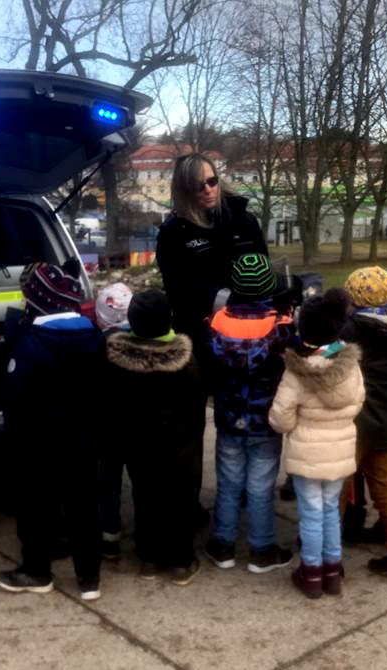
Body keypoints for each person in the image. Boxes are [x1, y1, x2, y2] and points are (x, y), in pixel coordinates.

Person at [156, 153, 269, 524]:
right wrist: (224, 297)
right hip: (202, 339)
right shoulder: (174, 233)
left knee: (248, 419)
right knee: (191, 427)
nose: (207, 190)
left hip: (250, 338)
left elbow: (261, 269)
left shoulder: (244, 219)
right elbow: (179, 289)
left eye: (211, 181)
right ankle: (187, 502)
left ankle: (245, 496)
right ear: (183, 190)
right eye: (198, 185)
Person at [0, 262, 105, 601]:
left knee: (36, 506)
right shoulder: (94, 338)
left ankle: (37, 571)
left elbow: (17, 401)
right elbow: (101, 391)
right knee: (84, 506)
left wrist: (15, 442)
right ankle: (89, 580)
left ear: (37, 301)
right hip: (83, 439)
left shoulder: (30, 344)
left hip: (39, 443)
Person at [268, 289, 365, 599]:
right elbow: (359, 402)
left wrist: (297, 427)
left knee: (311, 514)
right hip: (340, 452)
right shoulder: (352, 366)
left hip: (307, 455)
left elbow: (280, 417)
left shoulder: (297, 373)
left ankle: (311, 573)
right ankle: (333, 571)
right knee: (329, 513)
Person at [204, 253, 295, 573]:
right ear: (269, 287)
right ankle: (262, 549)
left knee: (228, 482)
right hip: (264, 421)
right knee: (260, 485)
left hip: (228, 417)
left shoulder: (216, 322)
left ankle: (223, 545)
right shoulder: (281, 327)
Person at [106, 290, 205, 585]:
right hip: (180, 448)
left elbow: (115, 404)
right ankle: (181, 561)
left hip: (139, 447)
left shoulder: (120, 361)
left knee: (145, 500)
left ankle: (148, 558)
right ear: (168, 319)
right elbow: (196, 401)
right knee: (181, 503)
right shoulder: (185, 361)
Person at [341, 267, 387, 579]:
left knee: (337, 485)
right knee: (384, 485)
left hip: (355, 421)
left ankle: (325, 552)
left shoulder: (348, 330)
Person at [95, 282, 134, 559]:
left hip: (107, 428)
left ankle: (109, 536)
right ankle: (149, 538)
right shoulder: (145, 343)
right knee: (143, 483)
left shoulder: (94, 347)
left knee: (108, 484)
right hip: (138, 425)